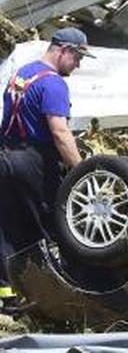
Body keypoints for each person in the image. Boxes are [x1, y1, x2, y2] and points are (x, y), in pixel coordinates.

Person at [0, 27, 88, 310]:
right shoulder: (53, 84)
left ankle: (7, 294)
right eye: (78, 58)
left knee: (8, 226)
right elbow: (60, 133)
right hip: (34, 162)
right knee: (52, 224)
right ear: (63, 50)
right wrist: (81, 171)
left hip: (6, 156)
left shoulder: (22, 74)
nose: (79, 65)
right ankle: (58, 292)